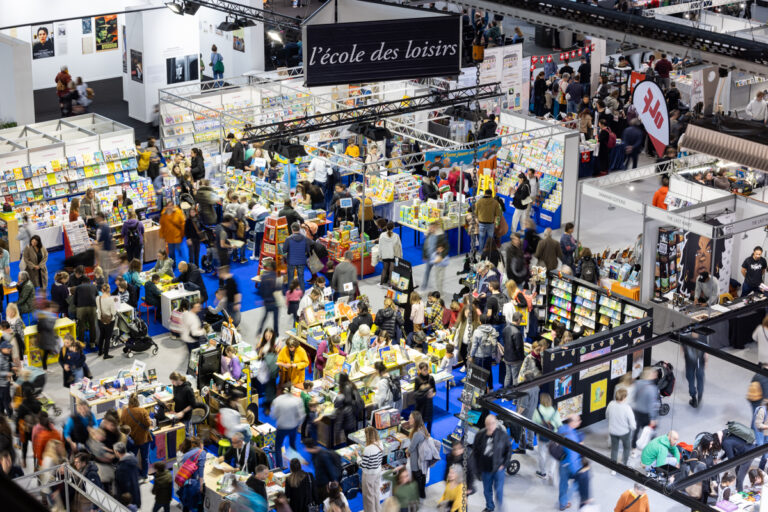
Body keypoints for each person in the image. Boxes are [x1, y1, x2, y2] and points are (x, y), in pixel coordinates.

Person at [473, 414, 510, 512]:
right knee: (487, 491)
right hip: (485, 468)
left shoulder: (502, 435)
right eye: (488, 424)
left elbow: (508, 450)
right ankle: (490, 507)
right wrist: (476, 467)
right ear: (485, 424)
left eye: (493, 423)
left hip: (498, 468)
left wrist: (504, 464)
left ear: (496, 423)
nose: (490, 426)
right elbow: (475, 451)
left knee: (498, 491)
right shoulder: (480, 435)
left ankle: (500, 508)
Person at [558, 415, 590, 511]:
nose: (580, 421)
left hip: (562, 462)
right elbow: (573, 456)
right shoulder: (572, 437)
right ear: (572, 422)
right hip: (570, 465)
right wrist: (576, 471)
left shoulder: (562, 429)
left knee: (563, 484)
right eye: (578, 420)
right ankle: (566, 500)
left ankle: (562, 503)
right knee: (576, 483)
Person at [120, 393, 151, 480]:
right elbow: (148, 424)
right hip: (143, 438)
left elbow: (121, 424)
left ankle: (132, 474)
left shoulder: (125, 411)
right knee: (145, 458)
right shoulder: (143, 411)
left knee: (131, 457)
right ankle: (145, 475)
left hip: (132, 439)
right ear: (138, 401)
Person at [606, 388, 636, 466]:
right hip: (624, 432)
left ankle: (613, 467)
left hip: (613, 431)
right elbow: (632, 423)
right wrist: (633, 428)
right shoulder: (627, 408)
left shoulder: (611, 404)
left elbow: (607, 415)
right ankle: (624, 464)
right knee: (626, 448)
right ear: (624, 397)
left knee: (614, 448)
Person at [632, 367, 659, 450]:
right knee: (649, 431)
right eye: (654, 373)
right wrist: (653, 418)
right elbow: (652, 405)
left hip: (636, 410)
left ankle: (633, 445)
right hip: (646, 414)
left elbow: (634, 396)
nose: (656, 374)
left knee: (636, 429)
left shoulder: (637, 383)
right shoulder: (652, 388)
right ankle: (651, 448)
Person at [422, 221, 450, 294]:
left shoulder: (441, 236)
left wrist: (441, 256)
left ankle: (440, 292)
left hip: (437, 259)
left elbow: (446, 247)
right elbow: (426, 245)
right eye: (430, 227)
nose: (430, 229)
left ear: (435, 228)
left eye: (432, 227)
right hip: (429, 257)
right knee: (427, 272)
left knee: (439, 277)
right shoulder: (429, 234)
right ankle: (424, 286)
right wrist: (424, 255)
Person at [283, 222, 313, 291]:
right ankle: (302, 294)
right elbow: (307, 250)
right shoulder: (305, 238)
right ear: (299, 229)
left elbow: (284, 250)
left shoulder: (288, 239)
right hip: (302, 261)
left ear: (292, 229)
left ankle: (291, 293)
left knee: (290, 278)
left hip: (291, 261)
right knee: (301, 278)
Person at [407, 410, 430, 499]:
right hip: (423, 459)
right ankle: (422, 493)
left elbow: (411, 448)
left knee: (417, 477)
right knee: (422, 476)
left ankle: (417, 495)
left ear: (415, 420)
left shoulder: (417, 433)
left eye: (410, 418)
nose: (409, 420)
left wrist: (407, 451)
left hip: (416, 460)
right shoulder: (423, 429)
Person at [256, 259, 281, 336]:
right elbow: (279, 291)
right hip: (275, 302)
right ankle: (276, 334)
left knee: (264, 317)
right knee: (275, 319)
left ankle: (259, 331)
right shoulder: (277, 278)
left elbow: (261, 289)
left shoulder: (264, 277)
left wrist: (263, 298)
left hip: (267, 301)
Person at [114, 442, 141, 508]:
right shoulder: (133, 460)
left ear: (117, 452)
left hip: (127, 499)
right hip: (135, 494)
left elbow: (123, 485)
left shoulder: (121, 468)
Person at [159, 202, 185, 267]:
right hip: (169, 237)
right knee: (171, 252)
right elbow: (162, 226)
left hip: (177, 236)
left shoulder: (178, 212)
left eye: (171, 206)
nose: (169, 207)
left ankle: (183, 260)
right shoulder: (164, 215)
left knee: (179, 248)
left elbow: (182, 223)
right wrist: (162, 235)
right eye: (168, 206)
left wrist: (183, 234)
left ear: (173, 206)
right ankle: (173, 264)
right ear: (166, 207)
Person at [503, 312, 525, 388]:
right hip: (515, 360)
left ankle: (505, 393)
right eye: (521, 319)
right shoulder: (517, 332)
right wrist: (522, 358)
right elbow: (519, 348)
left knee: (507, 376)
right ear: (518, 320)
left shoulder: (506, 328)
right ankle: (516, 395)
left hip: (506, 357)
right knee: (515, 377)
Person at [414, 361, 437, 431]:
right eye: (424, 370)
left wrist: (432, 395)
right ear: (420, 370)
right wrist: (423, 393)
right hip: (421, 403)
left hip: (429, 403)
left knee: (430, 420)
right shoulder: (417, 379)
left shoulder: (431, 378)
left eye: (427, 369)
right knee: (420, 421)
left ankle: (428, 434)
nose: (426, 371)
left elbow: (435, 391)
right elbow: (415, 393)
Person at [96, 283, 116, 359]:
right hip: (109, 321)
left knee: (102, 335)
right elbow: (113, 312)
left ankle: (100, 351)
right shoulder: (111, 300)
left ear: (102, 290)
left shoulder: (98, 298)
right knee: (107, 338)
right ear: (109, 290)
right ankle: (106, 354)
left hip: (100, 319)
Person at [378, 222, 402, 286]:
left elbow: (380, 247)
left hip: (385, 255)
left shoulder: (382, 235)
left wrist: (380, 255)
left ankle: (381, 284)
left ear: (386, 227)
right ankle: (390, 285)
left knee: (384, 269)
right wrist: (401, 256)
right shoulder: (396, 236)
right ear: (393, 228)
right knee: (392, 270)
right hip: (393, 255)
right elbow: (399, 247)